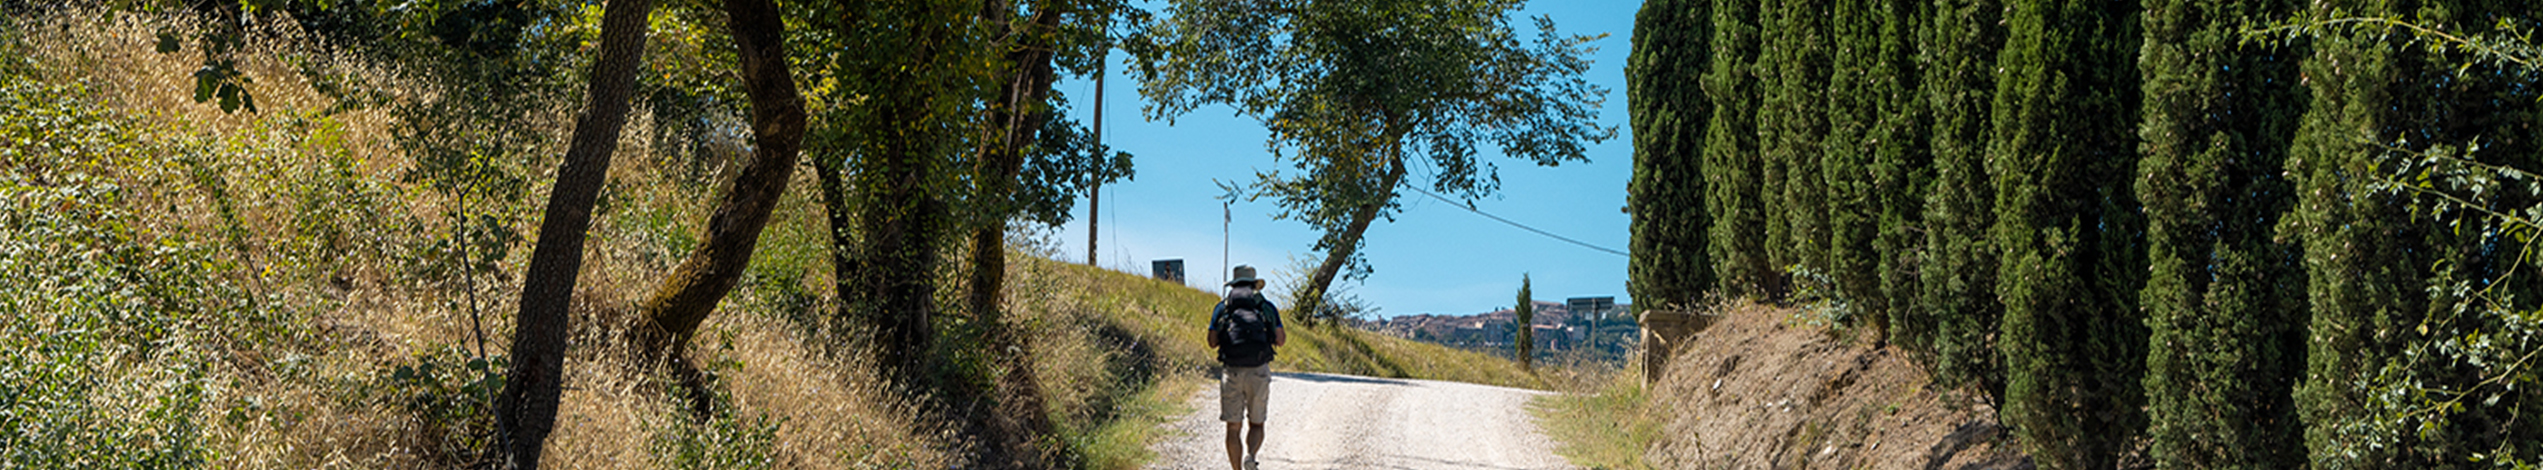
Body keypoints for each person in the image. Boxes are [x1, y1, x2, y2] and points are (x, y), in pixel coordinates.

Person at [1209, 265, 1284, 470]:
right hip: (1258, 370)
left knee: (1233, 428)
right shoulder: (1266, 307)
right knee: (1257, 423)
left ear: (1233, 285)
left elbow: (1212, 341)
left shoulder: (1222, 307)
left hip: (1231, 370)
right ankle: (1251, 456)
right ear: (1254, 284)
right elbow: (1281, 339)